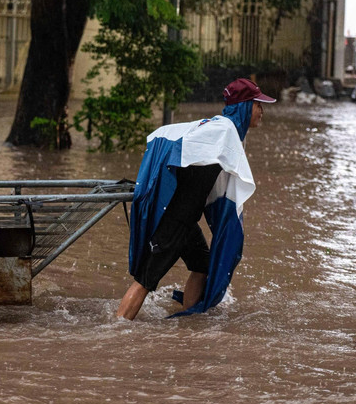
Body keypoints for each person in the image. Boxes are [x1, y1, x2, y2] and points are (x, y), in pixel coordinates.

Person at [117, 78, 276, 320]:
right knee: (145, 281)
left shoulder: (222, 128)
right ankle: (117, 331)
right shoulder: (223, 131)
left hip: (186, 219)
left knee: (202, 266)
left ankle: (189, 320)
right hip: (174, 219)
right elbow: (171, 142)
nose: (262, 110)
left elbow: (173, 135)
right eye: (257, 104)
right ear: (244, 106)